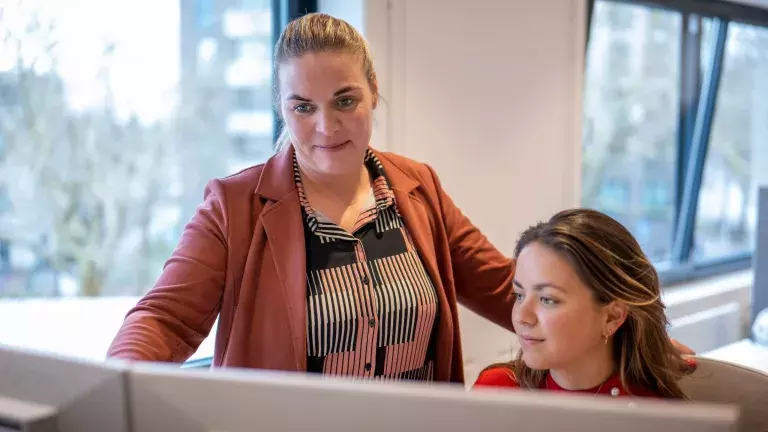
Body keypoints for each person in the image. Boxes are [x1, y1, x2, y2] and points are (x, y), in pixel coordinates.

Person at [108, 13, 691, 384]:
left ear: (373, 95)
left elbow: (500, 283)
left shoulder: (418, 187)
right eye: (301, 107)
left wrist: (638, 329)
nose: (324, 126)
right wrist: (113, 393)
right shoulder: (234, 205)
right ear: (281, 108)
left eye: (344, 100)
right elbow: (164, 317)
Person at [474, 209, 693, 397]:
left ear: (612, 317)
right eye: (519, 295)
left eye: (547, 299)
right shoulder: (495, 390)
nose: (522, 317)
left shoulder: (657, 413)